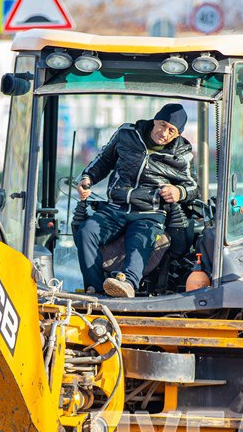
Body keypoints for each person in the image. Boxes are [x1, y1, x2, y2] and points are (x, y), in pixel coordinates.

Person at [74, 103, 197, 298]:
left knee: (140, 239)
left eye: (171, 130)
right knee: (87, 231)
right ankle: (95, 290)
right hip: (115, 208)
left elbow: (193, 187)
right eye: (162, 125)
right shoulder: (127, 133)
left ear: (178, 134)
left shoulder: (182, 154)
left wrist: (179, 191)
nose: (164, 133)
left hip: (150, 212)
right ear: (155, 120)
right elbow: (103, 161)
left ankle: (128, 284)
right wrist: (87, 178)